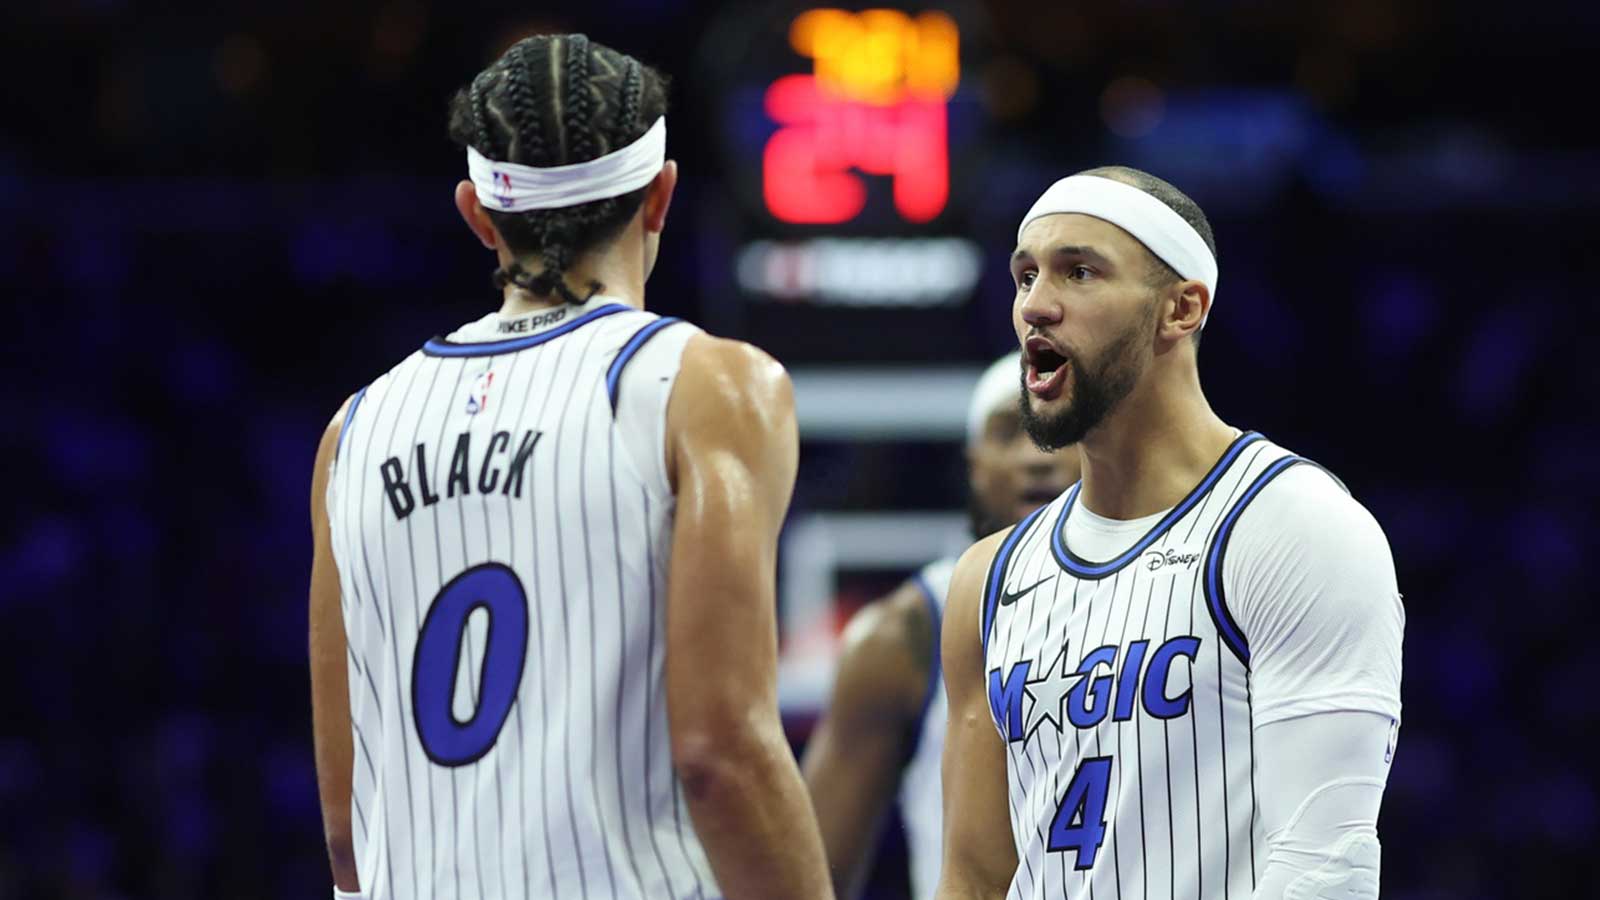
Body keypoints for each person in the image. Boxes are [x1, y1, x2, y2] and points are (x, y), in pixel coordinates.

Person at [306, 34, 833, 900]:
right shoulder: (707, 387)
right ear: (660, 196)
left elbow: (344, 830)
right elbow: (720, 754)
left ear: (477, 214)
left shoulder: (351, 433)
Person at [936, 167, 1404, 900]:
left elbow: (1324, 866)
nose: (1036, 306)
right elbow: (972, 880)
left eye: (1079, 272)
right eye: (1025, 276)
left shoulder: (1294, 526)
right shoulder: (988, 579)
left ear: (1181, 310)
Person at [802, 353, 1081, 900]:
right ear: (974, 463)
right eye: (1009, 433)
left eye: (1058, 433)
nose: (1035, 458)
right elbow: (812, 877)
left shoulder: (1175, 595)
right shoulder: (904, 634)